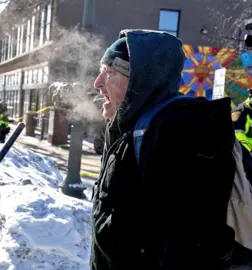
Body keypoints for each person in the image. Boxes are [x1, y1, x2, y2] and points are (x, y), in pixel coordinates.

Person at [91, 29, 238, 269]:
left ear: (140, 78)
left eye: (108, 72)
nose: (97, 83)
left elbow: (185, 248)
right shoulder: (130, 129)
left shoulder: (173, 135)